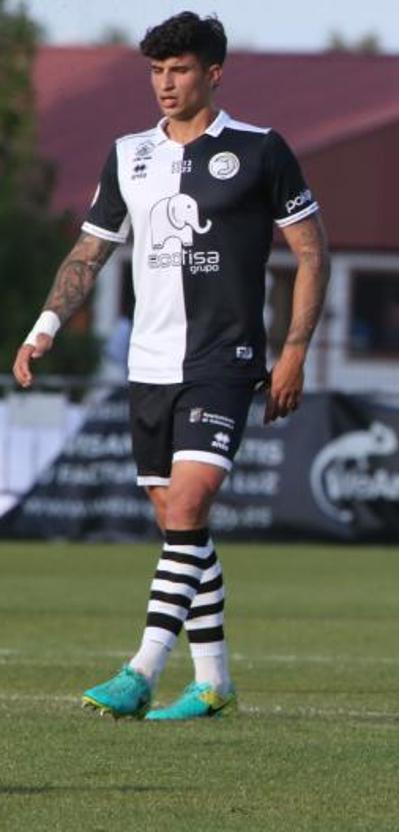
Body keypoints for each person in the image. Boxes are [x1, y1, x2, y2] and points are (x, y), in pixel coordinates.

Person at [11, 12, 330, 720]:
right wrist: (44, 327)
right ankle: (214, 680)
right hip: (148, 361)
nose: (165, 83)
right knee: (178, 526)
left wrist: (295, 350)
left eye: (179, 69)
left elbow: (311, 250)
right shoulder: (128, 154)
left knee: (188, 505)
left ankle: (142, 668)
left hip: (225, 359)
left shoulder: (260, 150)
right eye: (156, 70)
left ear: (213, 72)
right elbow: (89, 251)